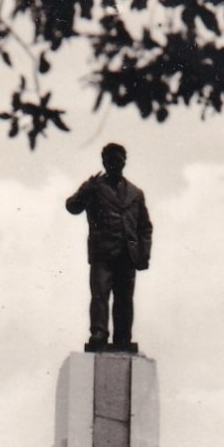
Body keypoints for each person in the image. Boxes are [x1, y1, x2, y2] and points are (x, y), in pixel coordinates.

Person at [65, 142, 153, 352]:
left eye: (118, 160)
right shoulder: (95, 188)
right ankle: (99, 332)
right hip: (102, 253)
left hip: (127, 255)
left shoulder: (135, 193)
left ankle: (122, 337)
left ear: (124, 162)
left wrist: (143, 254)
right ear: (104, 162)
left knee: (124, 299)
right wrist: (86, 190)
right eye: (110, 161)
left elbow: (145, 227)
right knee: (100, 295)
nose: (114, 164)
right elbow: (72, 206)